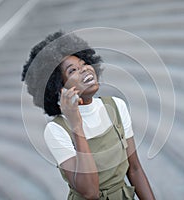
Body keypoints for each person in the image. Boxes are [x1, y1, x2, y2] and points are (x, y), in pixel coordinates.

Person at [21, 31, 155, 200]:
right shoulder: (56, 130)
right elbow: (90, 192)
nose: (84, 69)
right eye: (72, 71)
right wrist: (76, 124)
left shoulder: (116, 106)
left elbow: (134, 169)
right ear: (59, 89)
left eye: (84, 63)